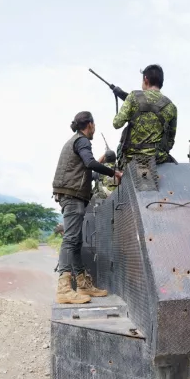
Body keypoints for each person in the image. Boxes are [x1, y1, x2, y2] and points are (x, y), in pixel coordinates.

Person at [52, 112, 123, 304]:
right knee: (71, 239)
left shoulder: (75, 141)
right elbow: (89, 163)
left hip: (71, 194)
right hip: (72, 195)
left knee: (75, 242)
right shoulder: (82, 141)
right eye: (94, 125)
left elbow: (86, 168)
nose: (95, 129)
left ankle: (82, 283)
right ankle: (64, 288)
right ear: (89, 125)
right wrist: (114, 172)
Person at [112, 64, 178, 168]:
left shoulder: (133, 96)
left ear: (145, 79)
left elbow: (117, 123)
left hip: (131, 159)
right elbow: (170, 141)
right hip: (157, 159)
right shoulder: (171, 107)